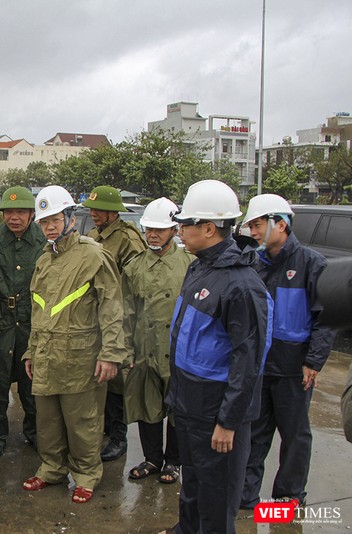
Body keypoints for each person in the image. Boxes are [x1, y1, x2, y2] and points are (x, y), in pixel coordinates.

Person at [166, 180, 272, 534]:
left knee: (217, 501)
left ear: (209, 228)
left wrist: (228, 421)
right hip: (190, 406)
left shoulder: (242, 285)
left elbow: (248, 360)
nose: (179, 230)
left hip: (216, 414)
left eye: (186, 224)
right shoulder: (199, 267)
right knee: (192, 490)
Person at [21, 185, 125, 504]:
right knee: (48, 419)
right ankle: (52, 467)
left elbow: (111, 305)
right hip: (47, 355)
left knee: (83, 422)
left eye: (55, 219)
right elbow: (38, 311)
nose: (50, 226)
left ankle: (86, 473)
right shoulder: (43, 261)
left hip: (82, 355)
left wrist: (111, 353)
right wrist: (30, 350)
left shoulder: (93, 254)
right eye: (44, 221)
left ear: (70, 217)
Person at [239, 194, 335, 509]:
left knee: (295, 437)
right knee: (255, 434)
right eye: (250, 225)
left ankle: (289, 496)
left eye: (257, 224)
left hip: (294, 369)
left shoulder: (311, 264)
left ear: (281, 223)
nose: (252, 232)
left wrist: (314, 361)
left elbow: (326, 319)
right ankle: (246, 495)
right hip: (260, 367)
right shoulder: (253, 263)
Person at [122, 198, 193, 484]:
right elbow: (125, 310)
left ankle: (174, 462)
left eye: (159, 230)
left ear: (174, 230)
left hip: (178, 350)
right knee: (147, 405)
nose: (152, 234)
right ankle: (153, 458)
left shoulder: (190, 264)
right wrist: (125, 348)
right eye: (149, 229)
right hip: (144, 348)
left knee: (178, 409)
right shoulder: (134, 266)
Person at [0, 186, 46, 457]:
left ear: (31, 214)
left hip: (32, 322)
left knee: (34, 384)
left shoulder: (44, 241)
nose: (14, 217)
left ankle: (35, 431)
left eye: (21, 212)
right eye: (9, 212)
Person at [82, 185, 147, 461]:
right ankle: (106, 428)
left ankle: (119, 437)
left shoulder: (128, 239)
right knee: (100, 376)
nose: (94, 214)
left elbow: (137, 280)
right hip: (94, 314)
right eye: (93, 209)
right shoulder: (92, 236)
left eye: (100, 210)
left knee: (118, 380)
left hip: (121, 314)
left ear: (113, 212)